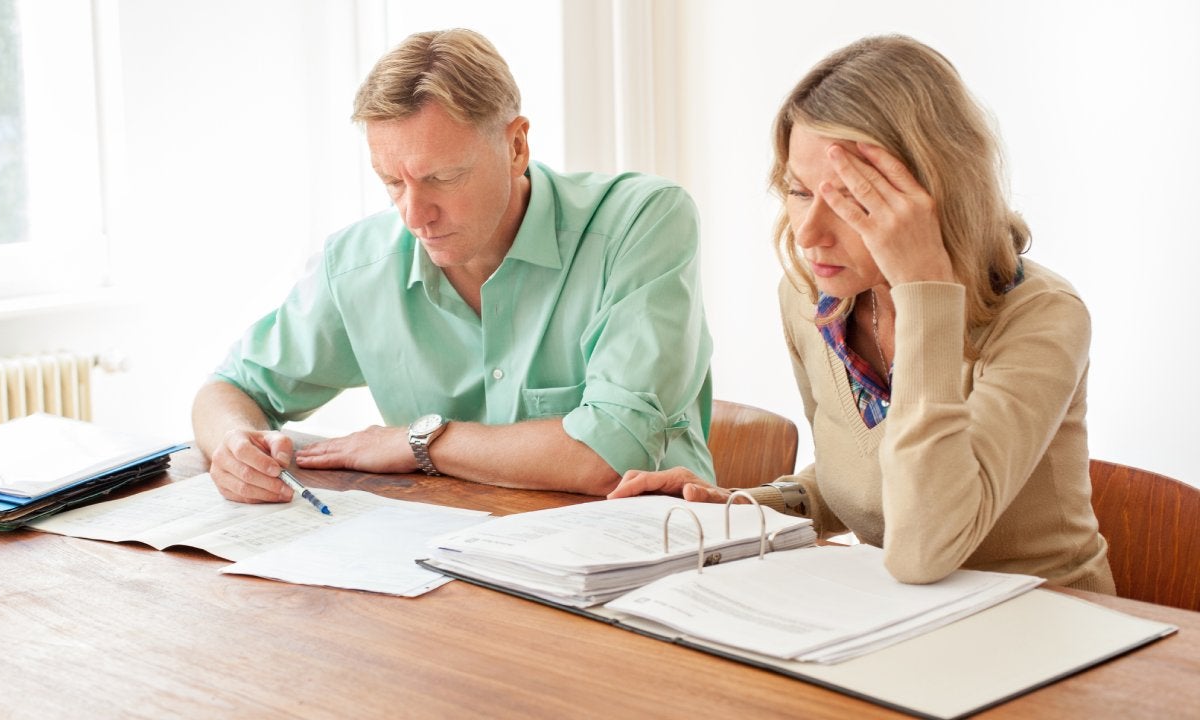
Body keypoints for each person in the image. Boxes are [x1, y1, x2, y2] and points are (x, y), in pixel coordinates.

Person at [609, 35, 1114, 593]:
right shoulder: (809, 300)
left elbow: (925, 546)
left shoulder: (1044, 317)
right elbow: (859, 482)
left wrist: (923, 292)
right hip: (903, 620)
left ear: (934, 196)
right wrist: (741, 508)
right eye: (798, 192)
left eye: (849, 198)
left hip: (1052, 628)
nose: (808, 233)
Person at [192, 28, 714, 502]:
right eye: (393, 182)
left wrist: (419, 441)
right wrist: (234, 445)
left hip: (642, 559)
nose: (414, 215)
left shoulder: (640, 221)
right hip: (449, 565)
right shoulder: (357, 265)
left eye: (442, 177)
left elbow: (610, 456)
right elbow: (230, 388)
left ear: (516, 145)